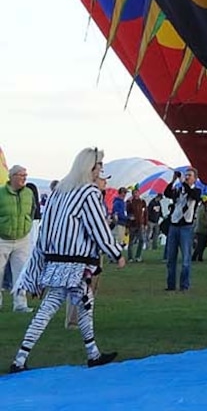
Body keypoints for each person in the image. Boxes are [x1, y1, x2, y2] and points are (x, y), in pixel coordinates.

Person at [6, 149, 119, 374]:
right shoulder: (88, 193)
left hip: (57, 262)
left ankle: (22, 357)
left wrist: (41, 261)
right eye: (99, 168)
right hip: (75, 264)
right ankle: (92, 354)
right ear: (92, 169)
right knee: (81, 304)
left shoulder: (60, 192)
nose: (101, 173)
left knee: (58, 307)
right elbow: (98, 227)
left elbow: (46, 230)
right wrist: (116, 252)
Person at [0, 170, 39, 316]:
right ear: (12, 177)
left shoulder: (28, 193)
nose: (24, 178)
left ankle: (20, 304)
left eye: (25, 176)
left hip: (22, 238)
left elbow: (32, 209)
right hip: (2, 238)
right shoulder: (1, 193)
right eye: (21, 175)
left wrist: (27, 225)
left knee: (21, 272)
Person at [162, 166, 198, 293]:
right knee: (171, 258)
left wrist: (183, 181)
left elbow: (192, 194)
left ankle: (184, 285)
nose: (187, 177)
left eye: (189, 176)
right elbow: (166, 193)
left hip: (186, 227)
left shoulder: (196, 191)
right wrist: (172, 181)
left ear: (195, 179)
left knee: (186, 259)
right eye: (186, 175)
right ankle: (171, 285)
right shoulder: (179, 190)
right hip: (174, 225)